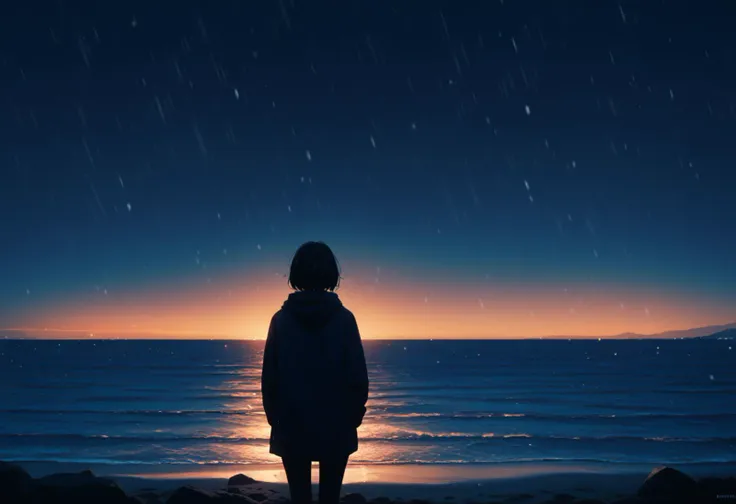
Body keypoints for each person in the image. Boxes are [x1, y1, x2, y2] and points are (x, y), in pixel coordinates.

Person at [261, 241, 369, 504]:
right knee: (330, 498)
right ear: (332, 273)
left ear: (295, 274)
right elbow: (357, 375)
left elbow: (269, 379)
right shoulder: (345, 319)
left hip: (291, 422)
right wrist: (354, 415)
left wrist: (274, 417)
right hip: (336, 423)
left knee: (299, 498)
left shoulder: (280, 320)